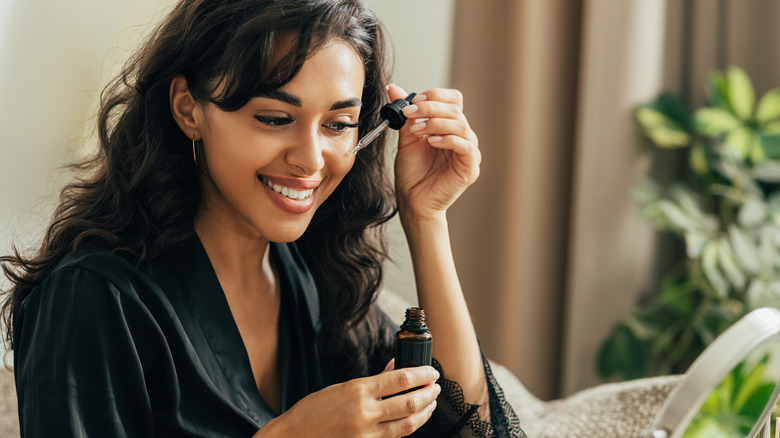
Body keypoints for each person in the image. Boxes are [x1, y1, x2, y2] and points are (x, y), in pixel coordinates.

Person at [1, 0, 524, 436]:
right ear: (188, 108)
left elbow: (470, 431)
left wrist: (426, 218)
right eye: (275, 118)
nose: (312, 159)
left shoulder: (316, 278)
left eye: (339, 124)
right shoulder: (92, 298)